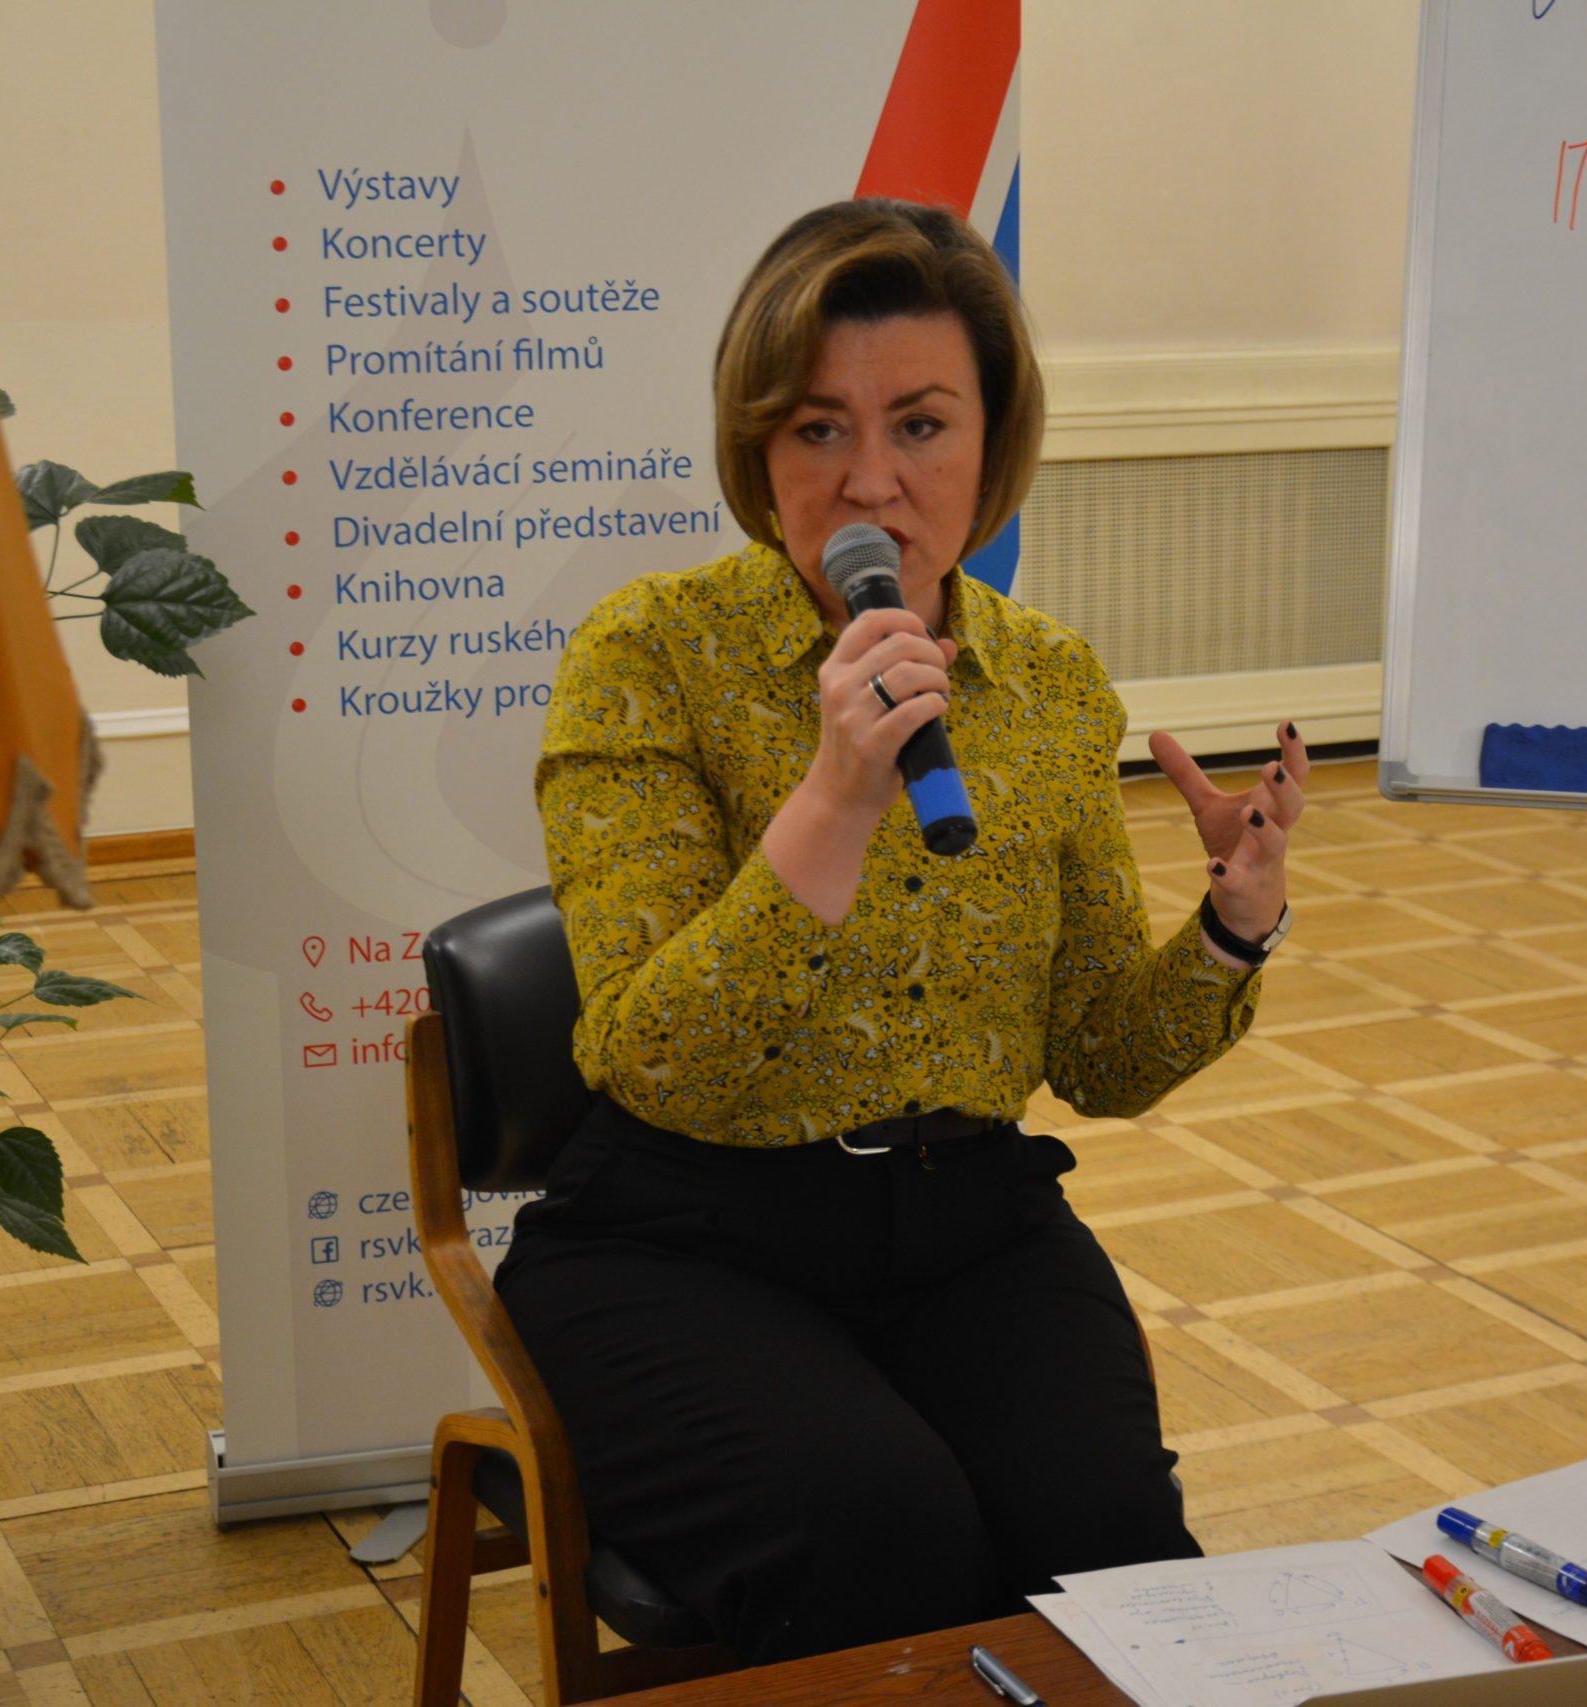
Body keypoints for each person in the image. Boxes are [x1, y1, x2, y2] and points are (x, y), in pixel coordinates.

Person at [495, 197, 1308, 1665]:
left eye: (922, 425)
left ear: (995, 445)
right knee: (886, 1541)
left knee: (1114, 1559)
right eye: (818, 429)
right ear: (758, 450)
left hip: (969, 1225)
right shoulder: (648, 655)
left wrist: (1231, 932)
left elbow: (1101, 1061)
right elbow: (652, 1061)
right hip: (686, 1236)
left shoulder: (1049, 682)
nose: (869, 480)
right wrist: (833, 800)